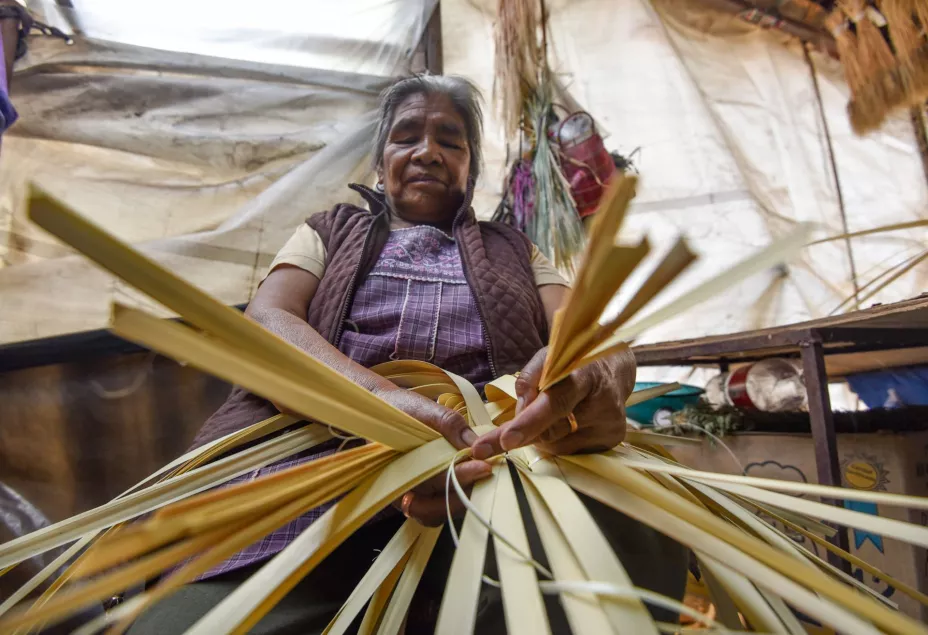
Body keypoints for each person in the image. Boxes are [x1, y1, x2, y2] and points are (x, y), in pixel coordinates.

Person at [128, 75, 687, 634]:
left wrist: (598, 367)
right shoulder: (328, 231)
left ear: (470, 166)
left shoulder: (516, 248)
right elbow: (268, 323)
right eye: (406, 136)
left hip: (488, 463)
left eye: (450, 139)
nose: (428, 151)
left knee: (597, 578)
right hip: (313, 459)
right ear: (380, 162)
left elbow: (583, 331)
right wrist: (375, 400)